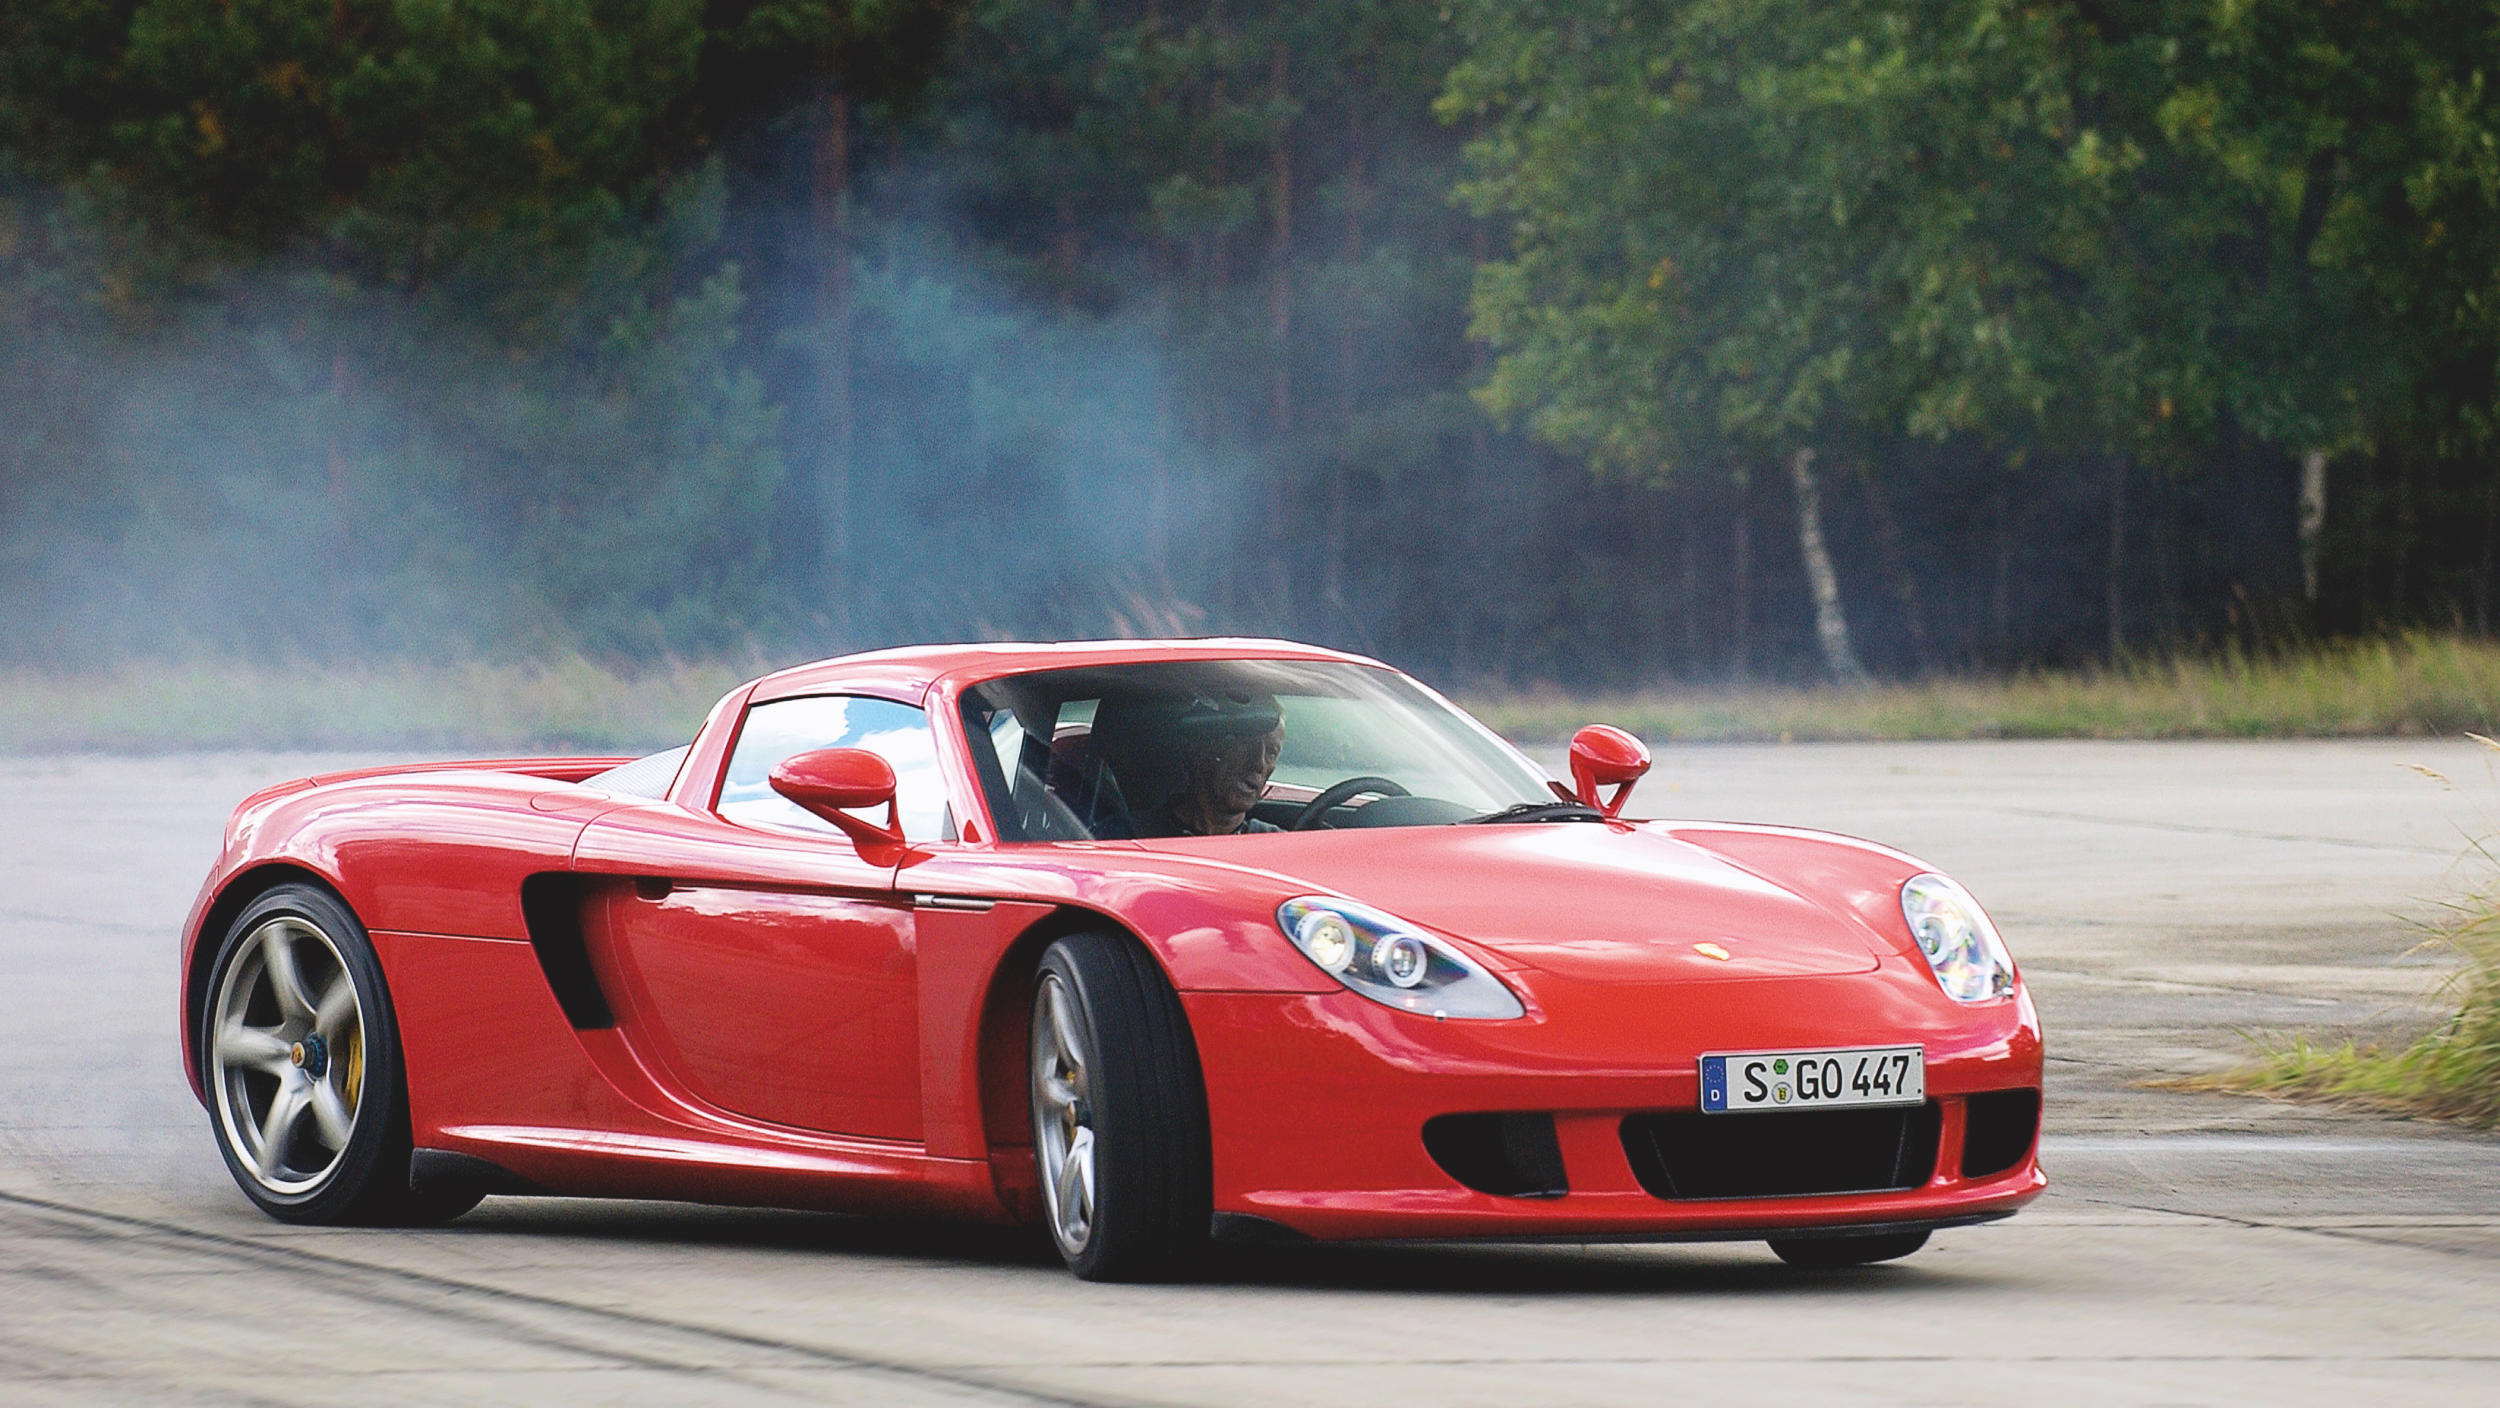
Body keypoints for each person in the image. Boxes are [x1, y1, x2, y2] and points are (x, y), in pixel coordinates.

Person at [1129, 691, 1286, 837]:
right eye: (1245, 744)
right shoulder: (1127, 838)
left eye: (1271, 752)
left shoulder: (1277, 847)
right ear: (1201, 746)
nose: (1259, 763)